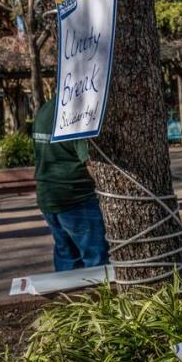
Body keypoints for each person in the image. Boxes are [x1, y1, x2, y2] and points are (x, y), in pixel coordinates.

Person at [32, 99, 110, 271]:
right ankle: (98, 297)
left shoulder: (46, 109)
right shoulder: (76, 112)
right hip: (76, 198)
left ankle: (68, 297)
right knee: (96, 261)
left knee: (67, 259)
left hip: (48, 195)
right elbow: (90, 163)